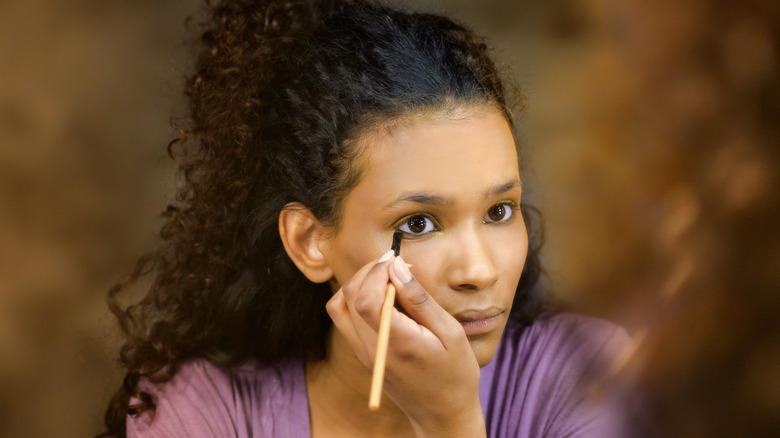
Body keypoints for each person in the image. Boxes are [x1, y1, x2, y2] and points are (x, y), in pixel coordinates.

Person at [101, 1, 632, 436]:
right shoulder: (206, 411)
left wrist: (450, 423)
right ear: (310, 241)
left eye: (499, 211)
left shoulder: (592, 377)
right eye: (418, 223)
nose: (480, 271)